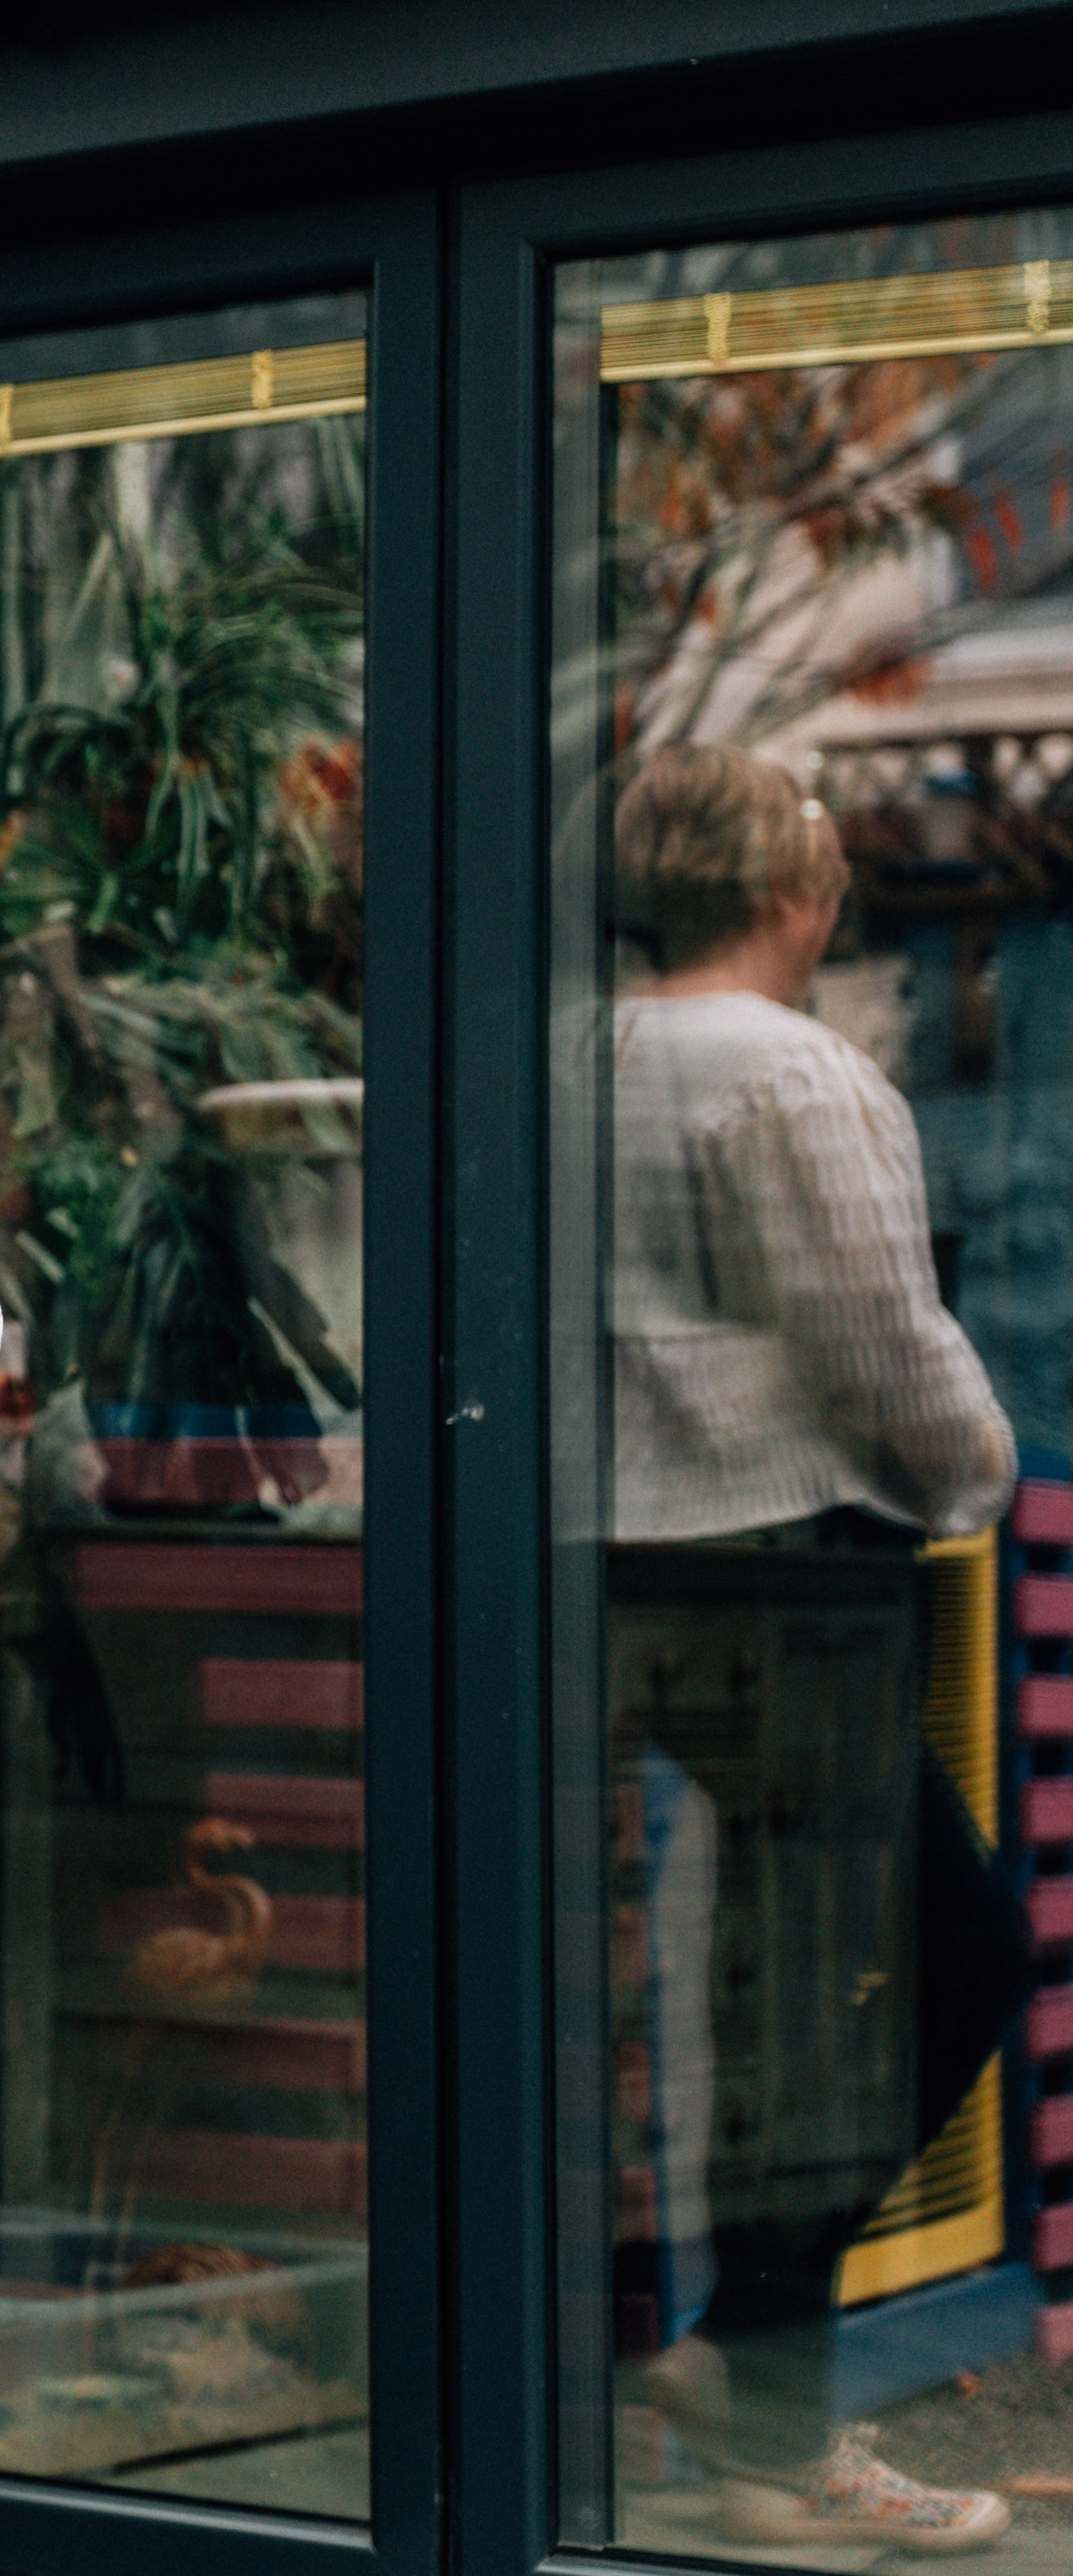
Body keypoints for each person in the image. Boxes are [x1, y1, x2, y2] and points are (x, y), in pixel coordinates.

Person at [603, 741, 1024, 2557]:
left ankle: (731, 2396)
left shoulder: (566, 1057)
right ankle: (755, 2385)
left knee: (745, 1984)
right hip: (784, 1577)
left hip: (598, 1581)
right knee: (937, 1962)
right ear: (796, 894)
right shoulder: (796, 1074)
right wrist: (977, 1483)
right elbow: (880, 1349)